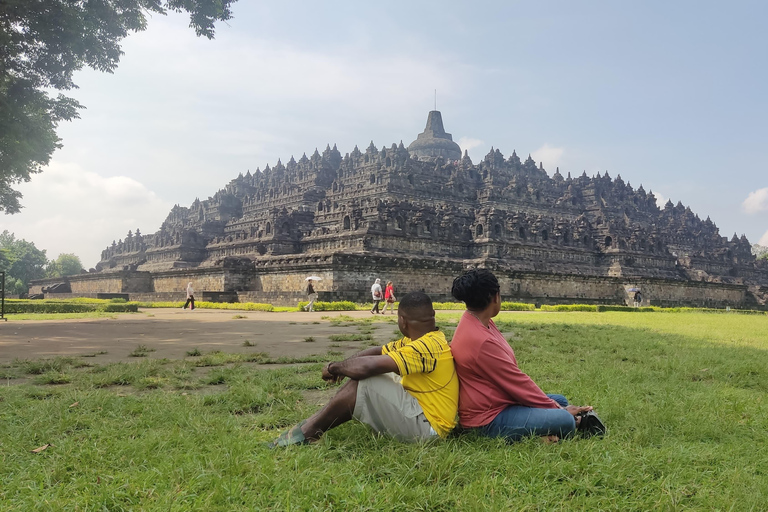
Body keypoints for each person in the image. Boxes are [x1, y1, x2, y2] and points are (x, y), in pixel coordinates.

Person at [270, 292, 459, 447]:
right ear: (432, 315)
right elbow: (378, 352)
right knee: (375, 372)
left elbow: (367, 367)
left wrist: (335, 367)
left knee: (367, 380)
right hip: (424, 415)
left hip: (430, 429)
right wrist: (344, 365)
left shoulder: (425, 347)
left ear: (402, 321)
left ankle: (309, 432)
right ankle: (312, 424)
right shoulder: (427, 340)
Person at [450, 269, 604, 443]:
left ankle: (550, 427)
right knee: (564, 420)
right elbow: (517, 382)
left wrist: (557, 405)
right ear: (495, 297)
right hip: (487, 418)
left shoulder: (477, 322)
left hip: (498, 400)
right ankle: (542, 435)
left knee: (560, 399)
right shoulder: (481, 340)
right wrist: (559, 410)